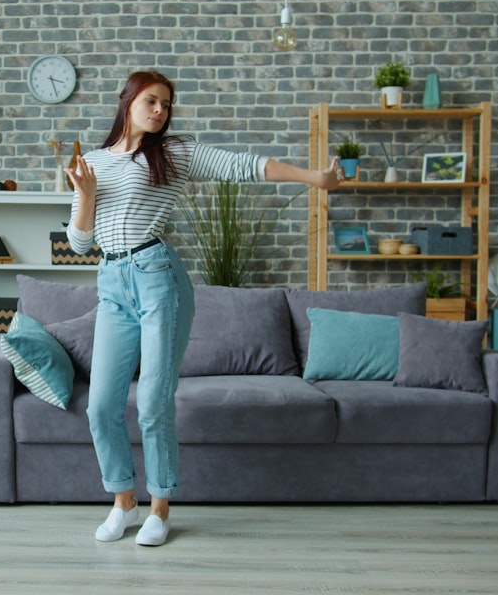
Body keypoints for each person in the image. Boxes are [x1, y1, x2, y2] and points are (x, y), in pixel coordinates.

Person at [63, 70, 341, 547]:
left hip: (157, 279)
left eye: (166, 105)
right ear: (127, 101)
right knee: (102, 405)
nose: (159, 111)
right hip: (111, 285)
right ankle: (123, 502)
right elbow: (80, 242)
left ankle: (160, 509)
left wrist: (315, 177)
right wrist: (86, 196)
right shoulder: (91, 162)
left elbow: (245, 166)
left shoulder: (174, 154)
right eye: (151, 101)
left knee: (153, 401)